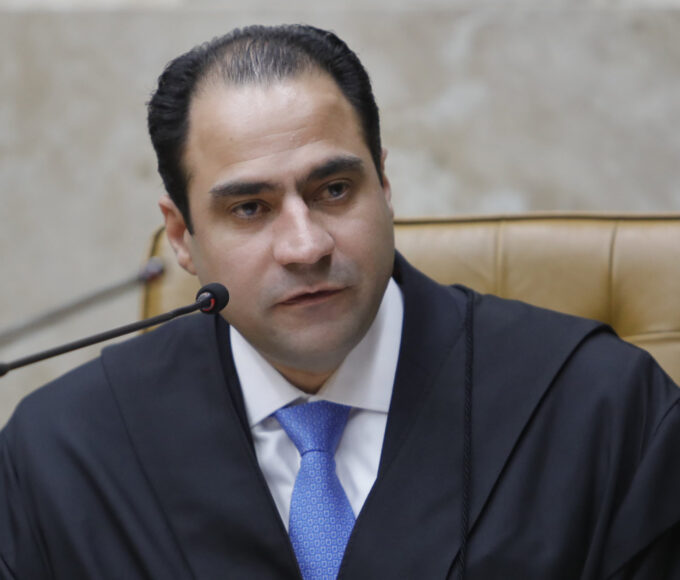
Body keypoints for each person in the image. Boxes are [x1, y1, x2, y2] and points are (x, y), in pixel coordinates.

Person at [1, 24, 679, 580]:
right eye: (249, 207)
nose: (306, 246)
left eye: (333, 190)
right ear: (182, 237)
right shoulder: (61, 455)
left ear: (384, 185)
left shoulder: (603, 407)